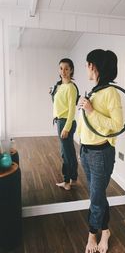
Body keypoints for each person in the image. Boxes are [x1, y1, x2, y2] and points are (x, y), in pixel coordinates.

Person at [77, 49, 123, 253]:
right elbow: (86, 123)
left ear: (94, 66)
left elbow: (117, 125)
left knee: (95, 198)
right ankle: (106, 230)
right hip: (86, 152)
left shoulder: (111, 92)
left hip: (101, 154)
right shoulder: (95, 91)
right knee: (98, 195)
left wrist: (91, 111)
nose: (86, 67)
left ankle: (93, 234)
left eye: (87, 64)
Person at [52, 58, 78, 190]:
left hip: (65, 122)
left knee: (65, 154)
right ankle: (73, 179)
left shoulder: (71, 88)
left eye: (66, 68)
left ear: (71, 70)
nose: (63, 71)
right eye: (61, 68)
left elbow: (72, 110)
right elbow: (59, 103)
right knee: (70, 152)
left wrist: (66, 128)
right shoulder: (60, 86)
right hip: (60, 121)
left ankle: (66, 182)